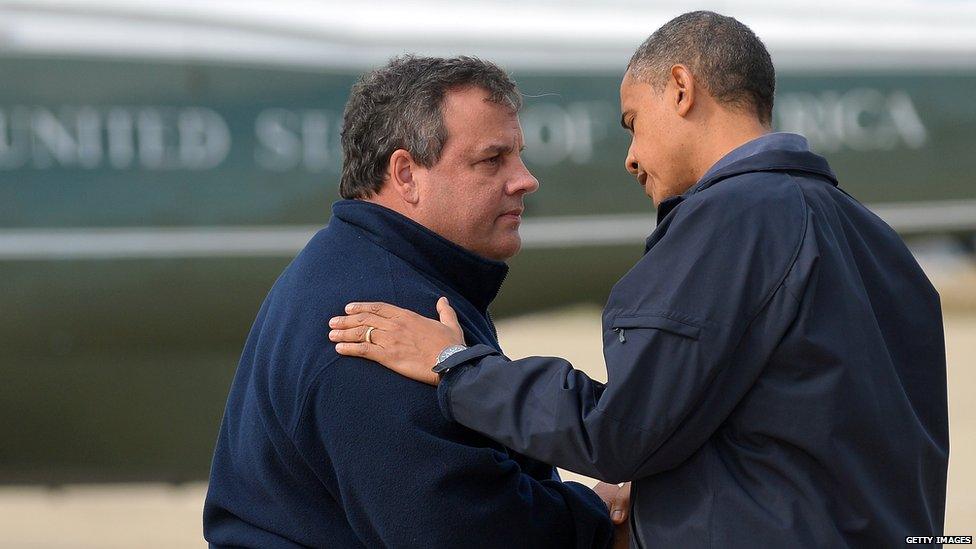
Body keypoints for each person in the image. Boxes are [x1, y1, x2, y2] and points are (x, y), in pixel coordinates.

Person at [327, 12, 949, 547]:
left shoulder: (732, 219)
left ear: (681, 88)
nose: (629, 156)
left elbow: (616, 432)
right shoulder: (876, 240)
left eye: (631, 122)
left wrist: (458, 366)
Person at [204, 55, 626, 548]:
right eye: (492, 159)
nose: (525, 179)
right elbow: (460, 532)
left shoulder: (377, 270)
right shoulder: (375, 319)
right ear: (405, 174)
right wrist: (600, 522)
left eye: (518, 155)